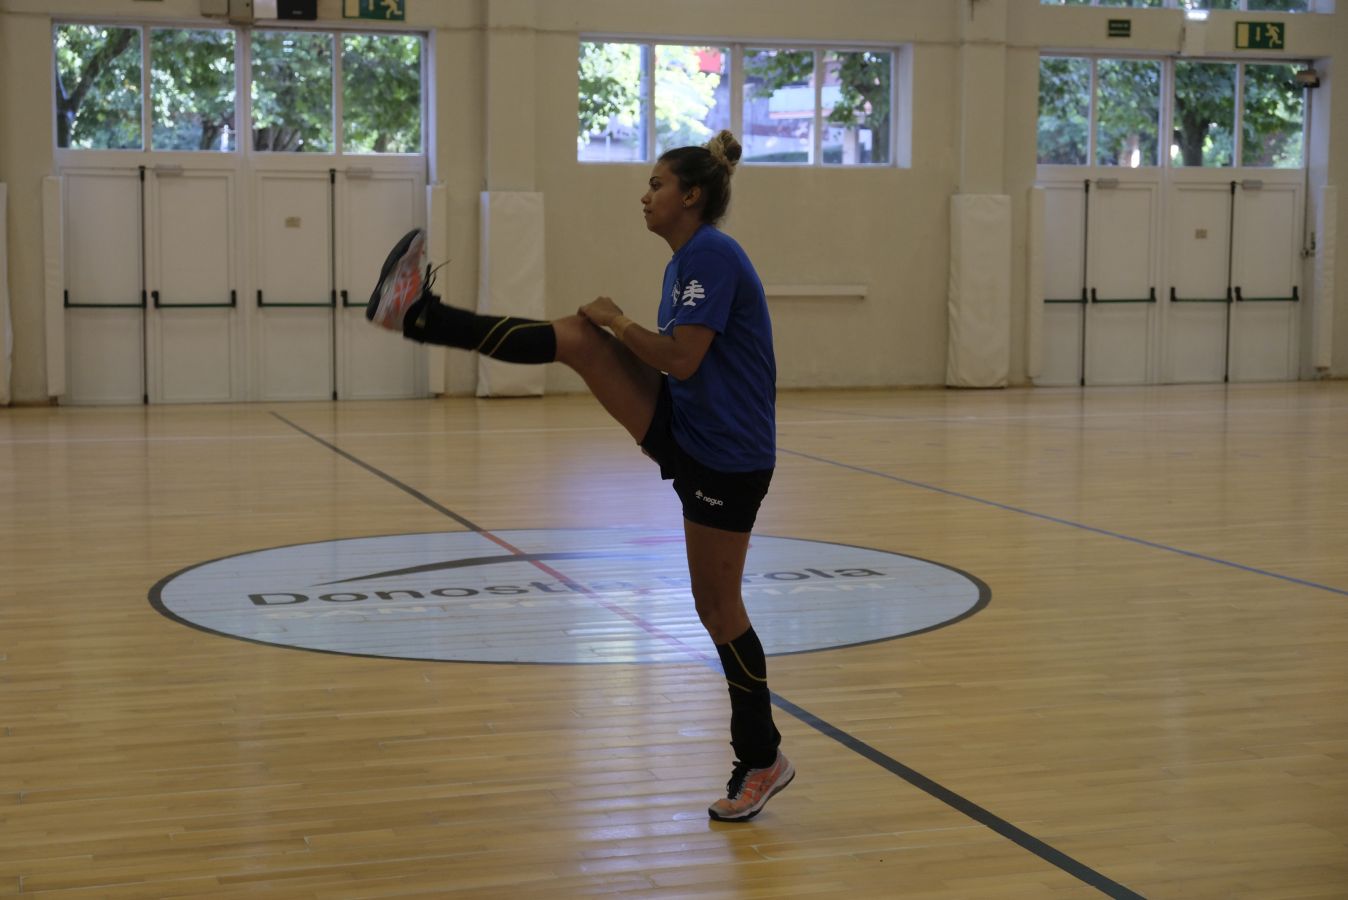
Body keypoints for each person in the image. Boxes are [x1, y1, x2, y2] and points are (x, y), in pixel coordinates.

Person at [366, 130, 791, 823]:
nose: (645, 195)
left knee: (719, 611)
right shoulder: (691, 257)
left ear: (691, 195)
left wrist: (619, 319)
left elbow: (680, 360)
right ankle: (419, 315)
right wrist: (612, 328)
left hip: (728, 458)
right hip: (692, 432)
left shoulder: (711, 254)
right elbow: (678, 366)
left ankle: (762, 756)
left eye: (657, 184)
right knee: (575, 338)